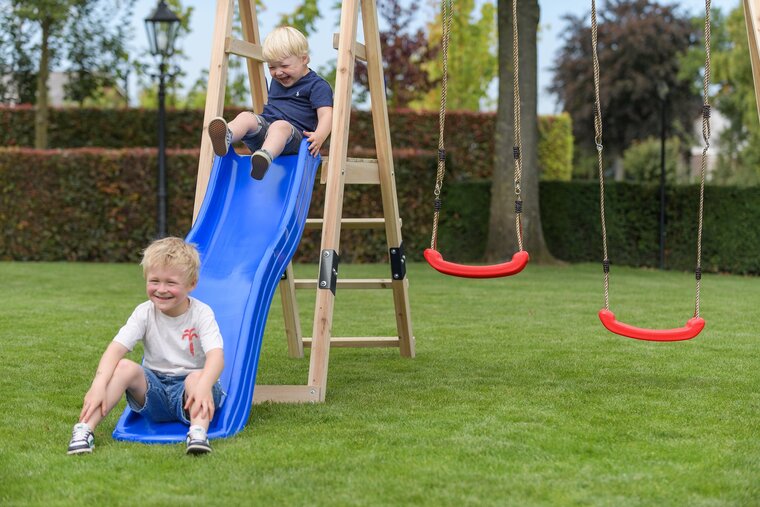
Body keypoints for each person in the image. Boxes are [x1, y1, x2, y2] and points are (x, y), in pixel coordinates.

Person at [67, 237, 225, 456]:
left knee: (196, 378)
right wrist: (98, 384)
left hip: (191, 394)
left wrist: (206, 384)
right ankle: (84, 430)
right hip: (155, 392)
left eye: (171, 283)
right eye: (154, 281)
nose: (161, 289)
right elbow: (115, 349)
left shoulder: (201, 313)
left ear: (192, 284)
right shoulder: (144, 312)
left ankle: (198, 433)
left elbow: (216, 356)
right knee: (123, 367)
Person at [207, 26, 334, 180]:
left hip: (293, 140)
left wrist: (320, 136)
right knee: (246, 116)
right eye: (272, 67)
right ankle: (227, 135)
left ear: (304, 59)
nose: (278, 72)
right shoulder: (276, 81)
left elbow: (326, 114)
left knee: (279, 126)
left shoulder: (317, 86)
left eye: (285, 66)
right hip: (266, 134)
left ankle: (264, 157)